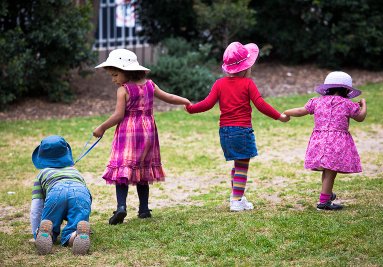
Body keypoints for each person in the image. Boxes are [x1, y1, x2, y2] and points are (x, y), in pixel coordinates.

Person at [185, 41, 289, 212]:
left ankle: (237, 195)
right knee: (242, 166)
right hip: (241, 131)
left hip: (225, 132)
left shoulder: (219, 84)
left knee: (237, 164)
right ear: (246, 68)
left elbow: (207, 103)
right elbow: (260, 104)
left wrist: (191, 108)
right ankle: (236, 200)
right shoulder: (248, 84)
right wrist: (279, 116)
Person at [93, 49, 191, 224]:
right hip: (148, 132)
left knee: (122, 168)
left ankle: (121, 207)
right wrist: (185, 100)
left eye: (115, 75)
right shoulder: (150, 85)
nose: (113, 79)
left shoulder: (124, 90)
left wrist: (102, 128)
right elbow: (168, 97)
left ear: (127, 71)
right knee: (143, 169)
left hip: (128, 133)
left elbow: (118, 116)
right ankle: (144, 209)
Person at [284, 71, 367, 210]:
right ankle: (324, 203)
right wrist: (363, 105)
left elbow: (300, 111)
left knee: (327, 170)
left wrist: (286, 112)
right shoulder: (347, 104)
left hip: (319, 140)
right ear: (347, 90)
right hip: (337, 142)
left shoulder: (316, 101)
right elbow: (360, 117)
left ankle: (326, 195)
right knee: (330, 171)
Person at [30, 135, 92, 255]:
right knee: (76, 222)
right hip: (80, 192)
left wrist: (35, 232)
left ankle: (44, 233)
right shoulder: (75, 171)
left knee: (49, 222)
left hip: (55, 192)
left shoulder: (42, 174)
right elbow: (87, 195)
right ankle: (76, 235)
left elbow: (36, 208)